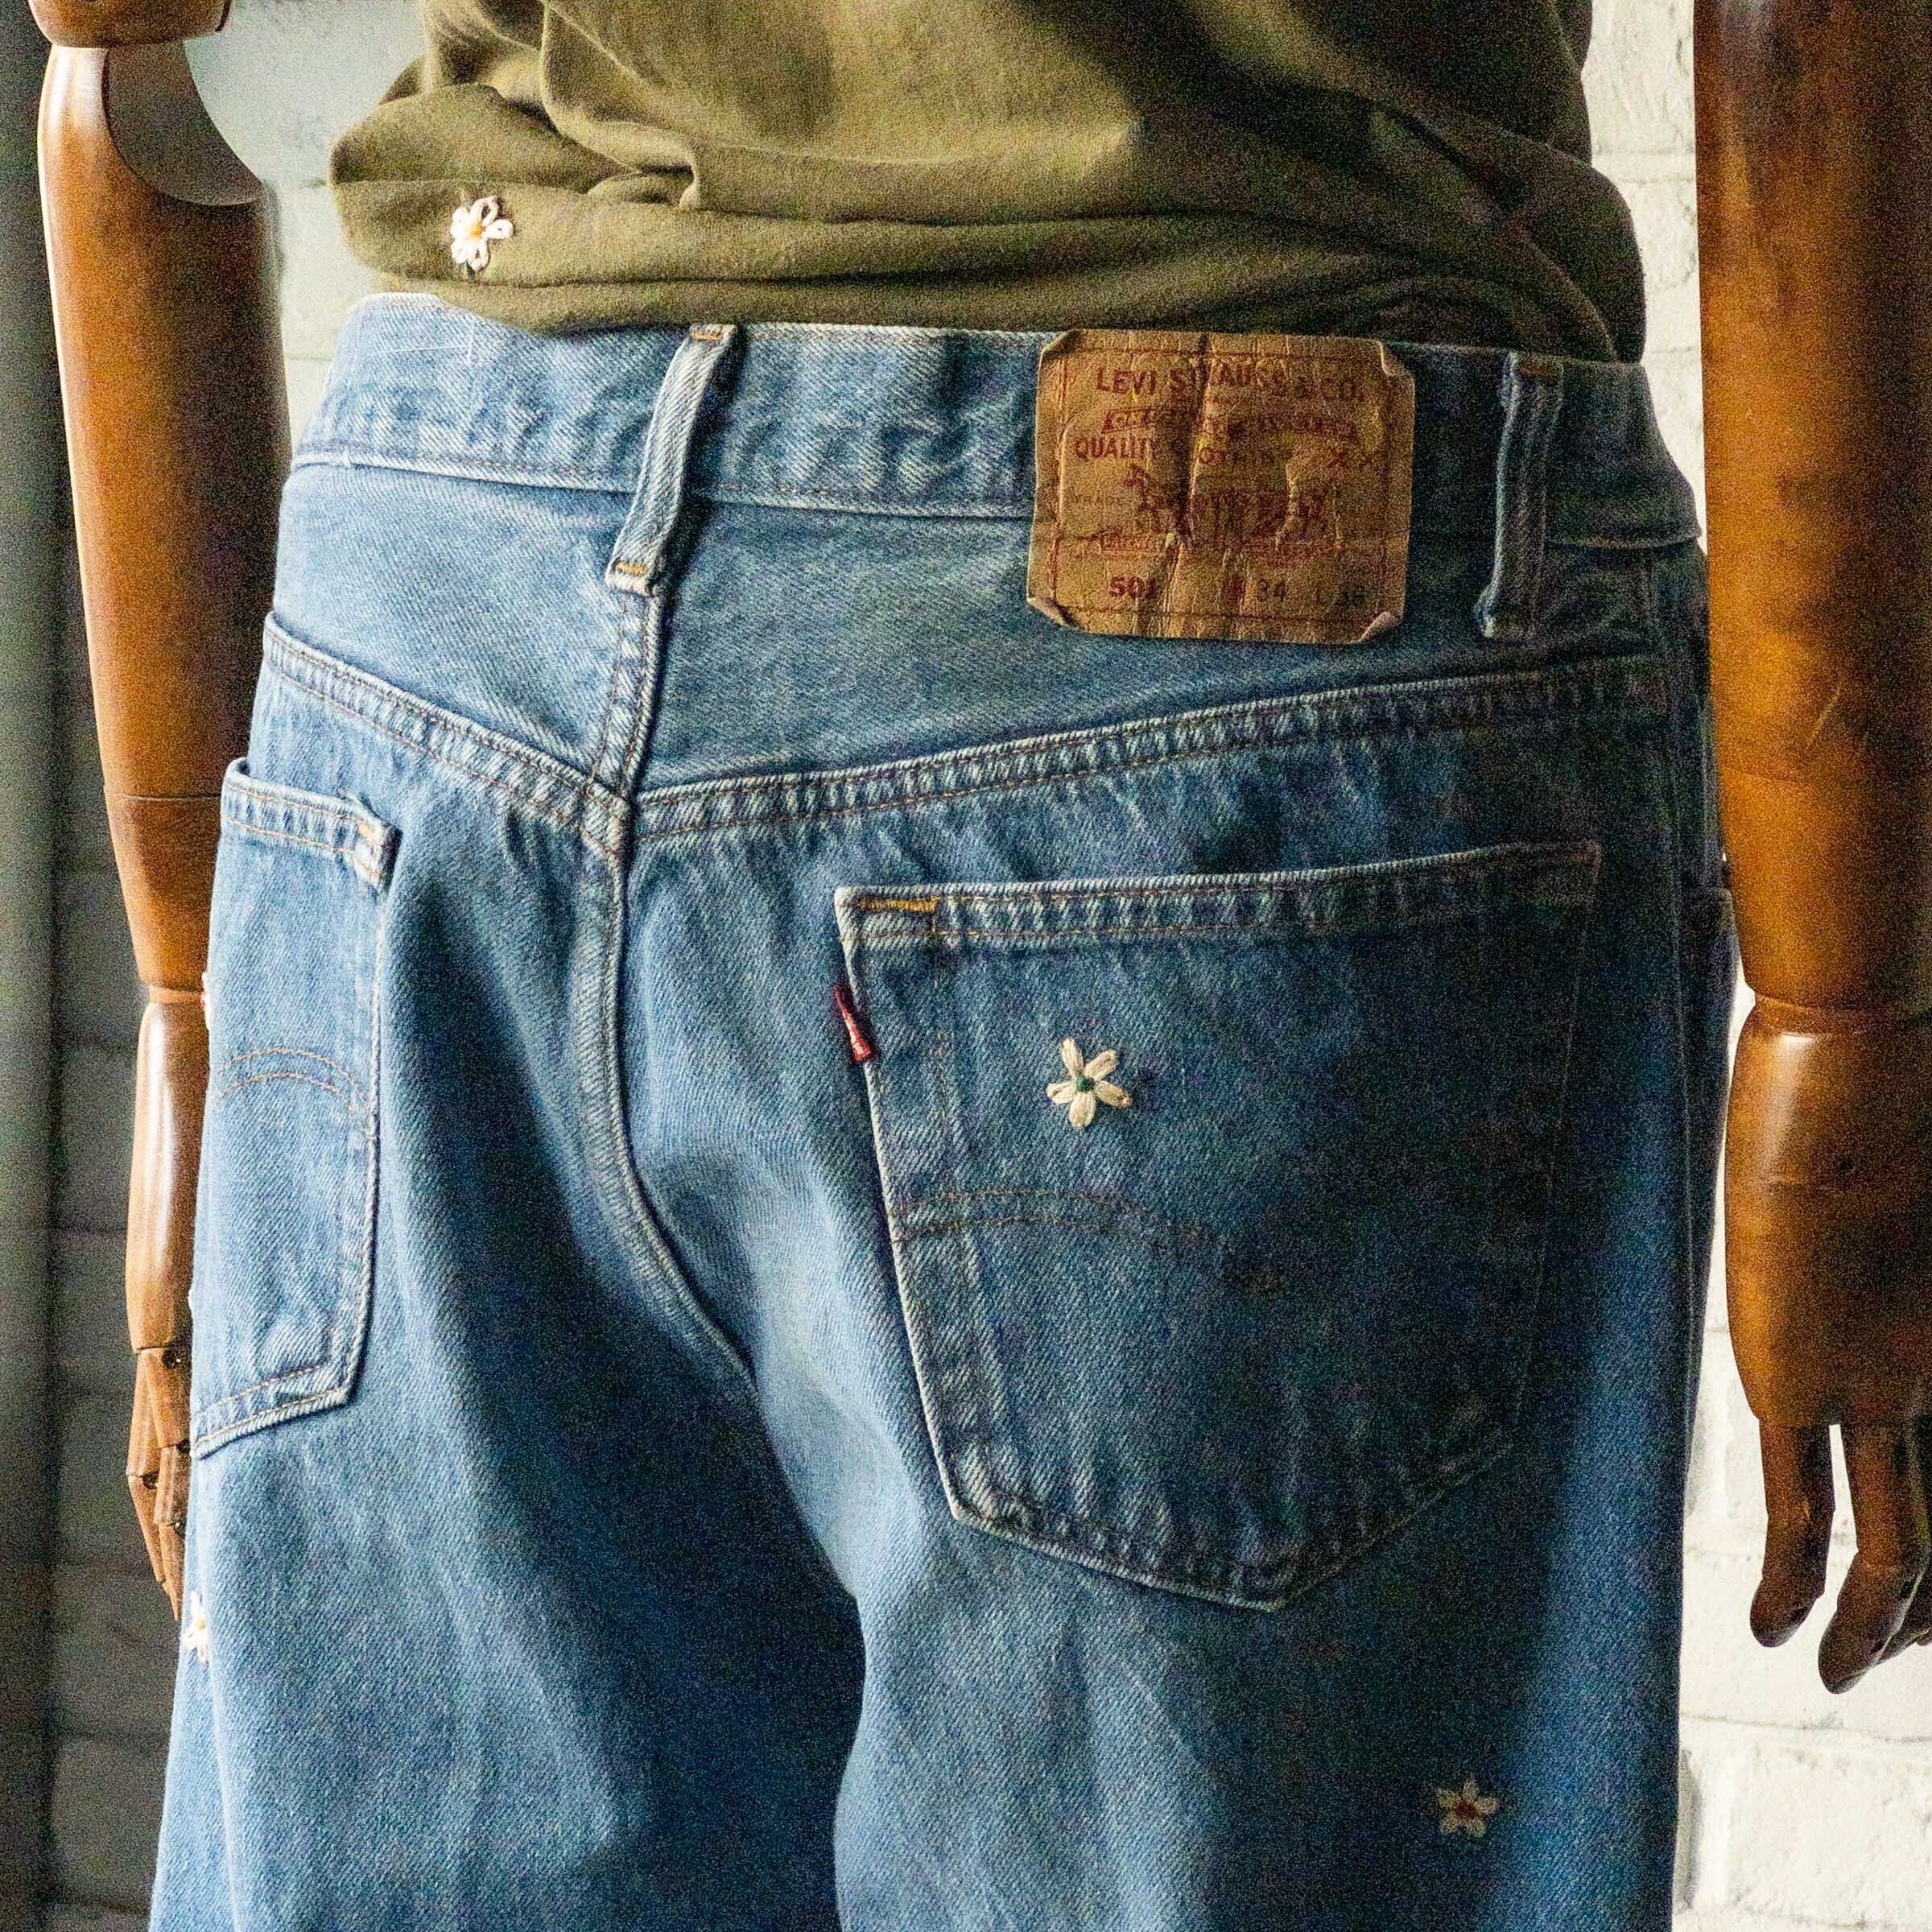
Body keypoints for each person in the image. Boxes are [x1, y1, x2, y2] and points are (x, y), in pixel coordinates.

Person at [31, 2, 1923, 1928]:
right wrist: (1852, 1008)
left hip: (445, 639)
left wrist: (196, 1001)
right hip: (1226, 644)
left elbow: (117, 72)